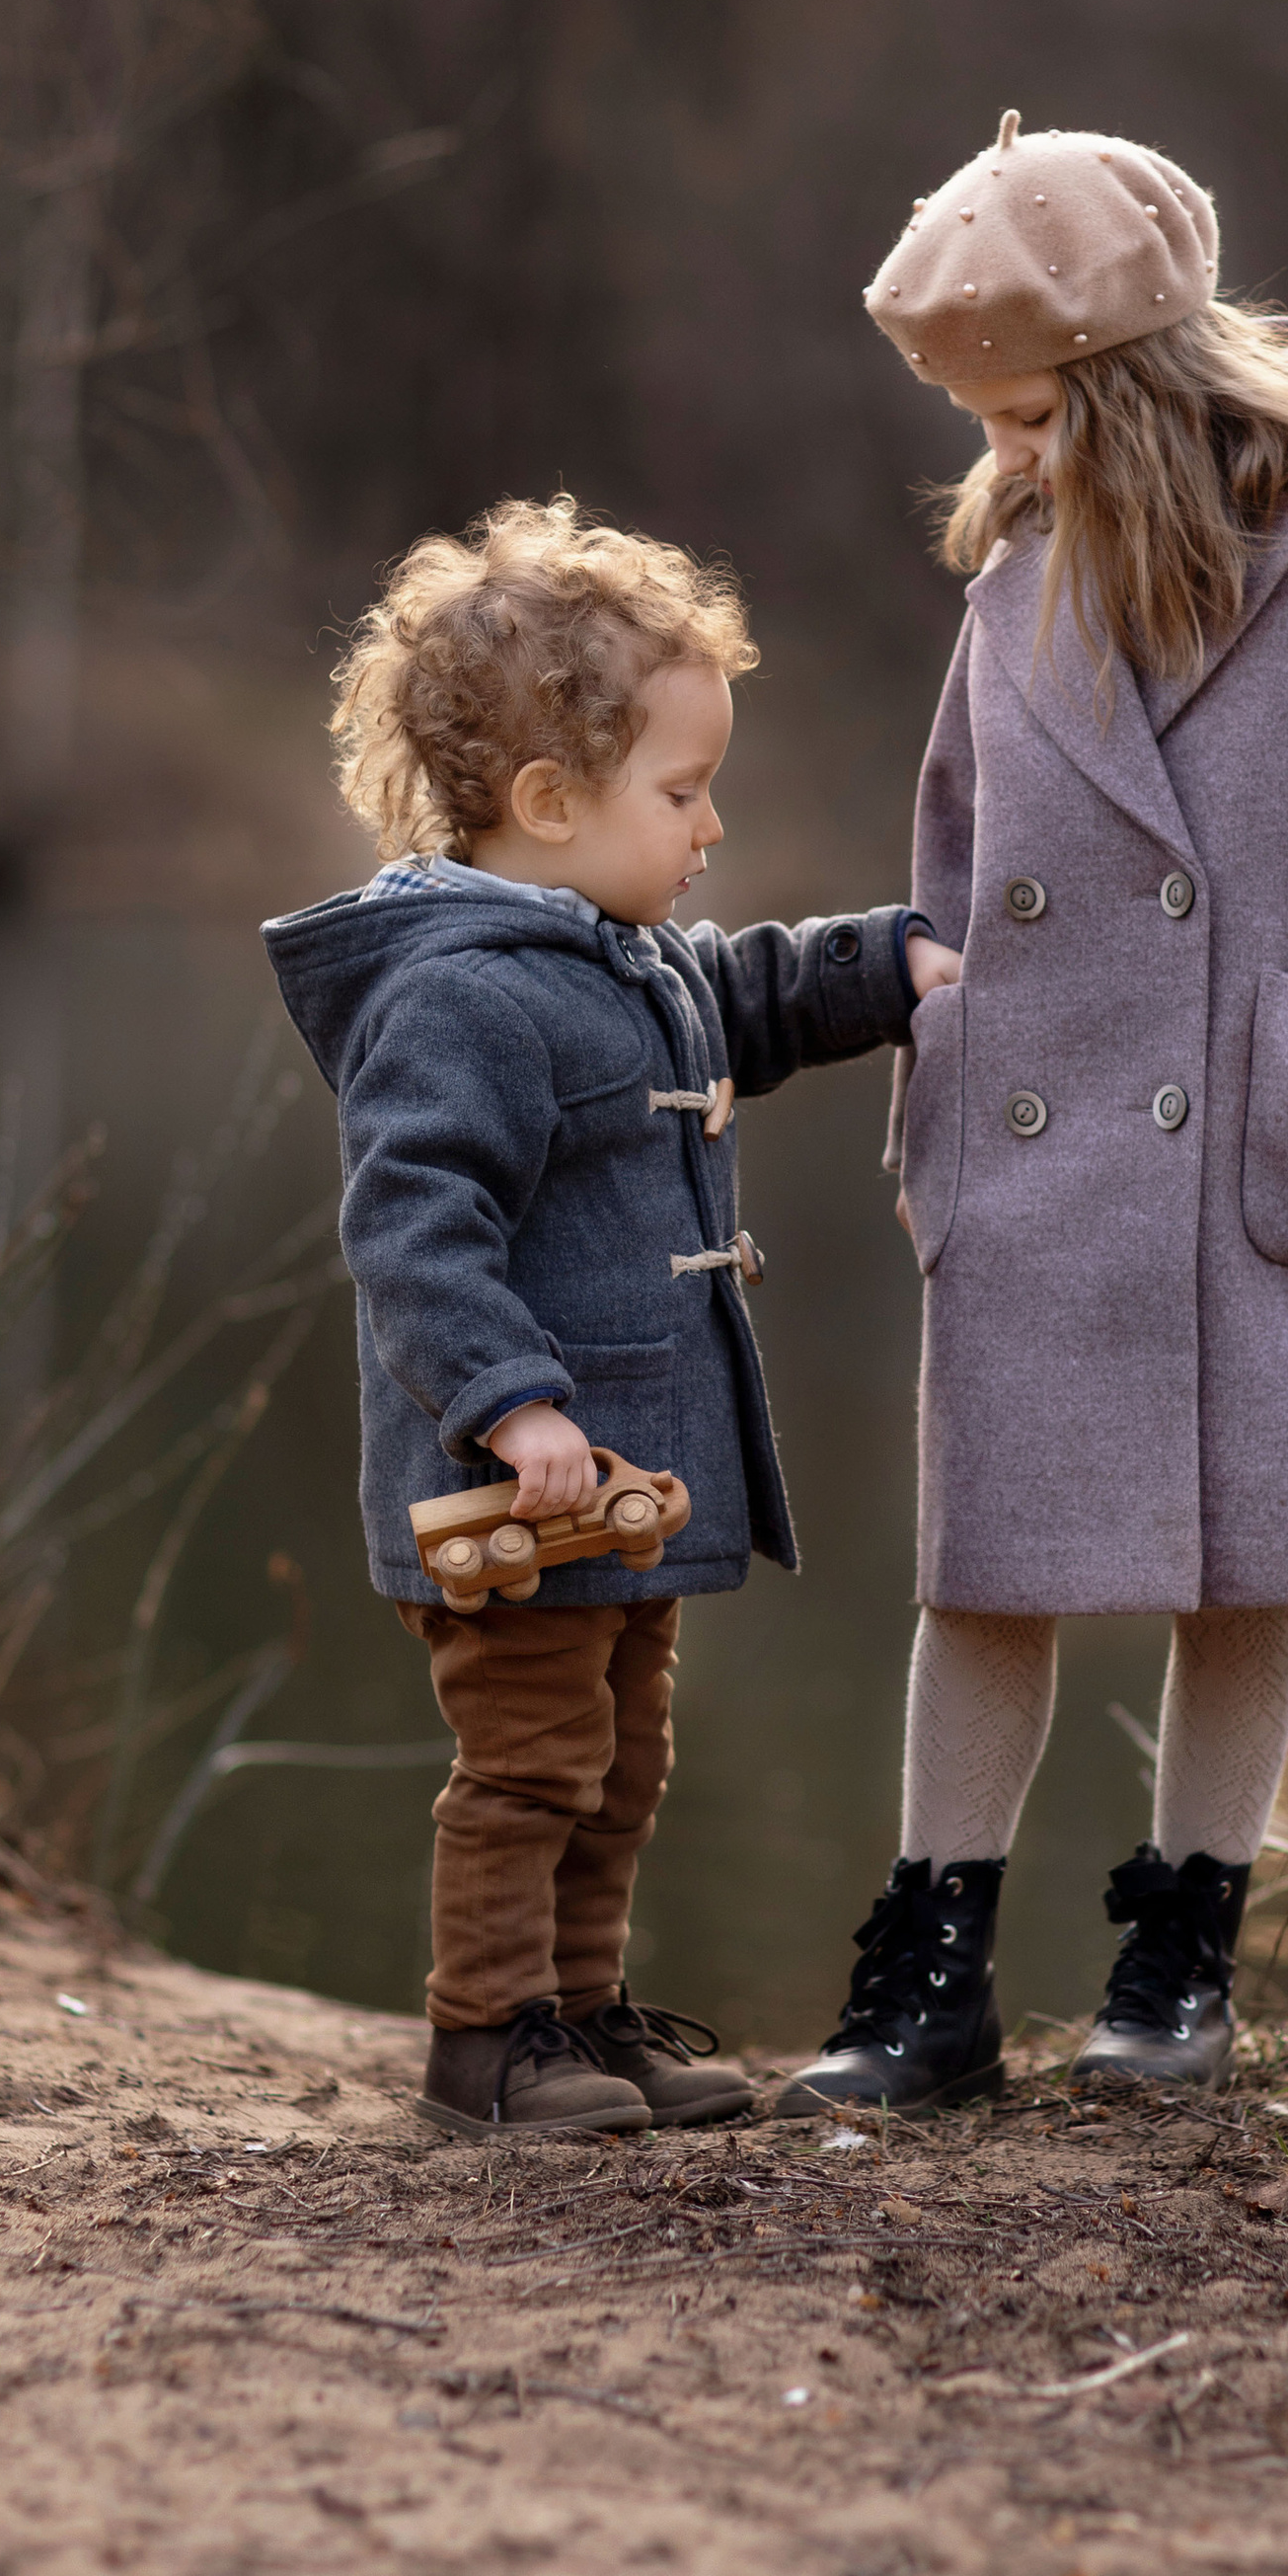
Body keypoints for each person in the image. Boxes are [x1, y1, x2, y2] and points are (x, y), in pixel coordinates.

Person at [773, 114, 1288, 2119]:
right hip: (1039, 1120)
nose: (1006, 452)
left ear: (1133, 374)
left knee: (1245, 1549)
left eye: (1032, 412)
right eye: (984, 419)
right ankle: (930, 1982)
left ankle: (1180, 1965)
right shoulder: (1016, 567)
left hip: (1260, 1100)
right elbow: (957, 845)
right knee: (986, 1558)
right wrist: (940, 1064)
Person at [265, 498, 959, 2141]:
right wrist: (513, 1403)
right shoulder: (461, 996)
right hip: (520, 1492)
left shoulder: (621, 959)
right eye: (682, 790)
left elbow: (754, 992)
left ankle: (580, 2015)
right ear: (550, 802)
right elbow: (414, 1231)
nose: (712, 824)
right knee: (527, 1765)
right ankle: (484, 2040)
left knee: (621, 1759)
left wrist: (895, 964)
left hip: (623, 1489)